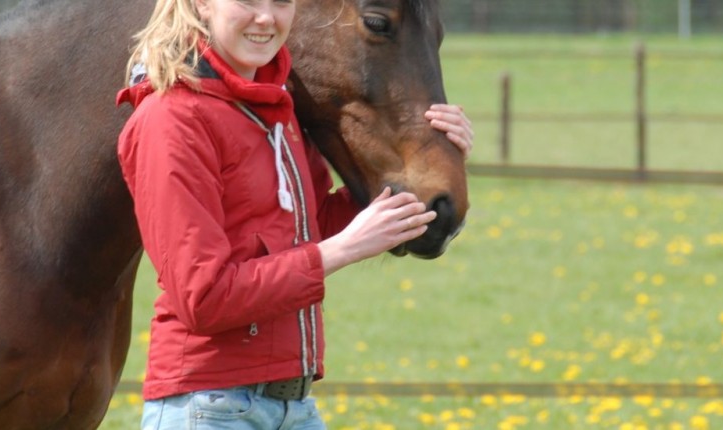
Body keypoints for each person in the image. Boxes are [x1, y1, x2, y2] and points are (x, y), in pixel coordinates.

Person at [115, 0, 472, 428]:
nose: (266, 17)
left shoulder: (278, 109)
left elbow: (311, 224)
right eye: (248, 1)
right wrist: (336, 253)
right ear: (202, 4)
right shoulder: (171, 120)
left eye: (281, 1)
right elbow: (203, 299)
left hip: (293, 404)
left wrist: (439, 159)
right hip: (209, 408)